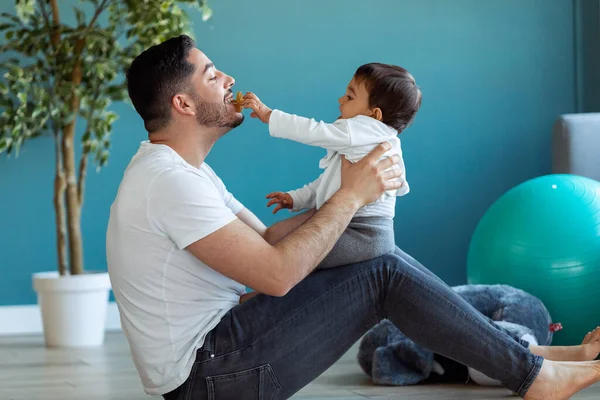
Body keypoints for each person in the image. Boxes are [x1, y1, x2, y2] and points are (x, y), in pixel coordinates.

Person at [106, 34, 600, 400]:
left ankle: (521, 357)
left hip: (218, 359)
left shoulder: (186, 174)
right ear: (183, 103)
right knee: (379, 269)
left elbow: (272, 244)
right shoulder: (168, 181)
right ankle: (531, 375)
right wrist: (351, 195)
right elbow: (276, 274)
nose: (228, 79)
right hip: (207, 378)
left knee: (379, 256)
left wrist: (354, 208)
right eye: (212, 75)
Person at [245, 62, 420, 269]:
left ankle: (255, 297)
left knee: (298, 261)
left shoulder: (366, 130)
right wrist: (296, 198)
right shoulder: (369, 141)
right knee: (289, 250)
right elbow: (328, 181)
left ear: (374, 115)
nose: (340, 100)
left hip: (361, 231)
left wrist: (269, 115)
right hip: (358, 227)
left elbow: (314, 131)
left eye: (350, 97)